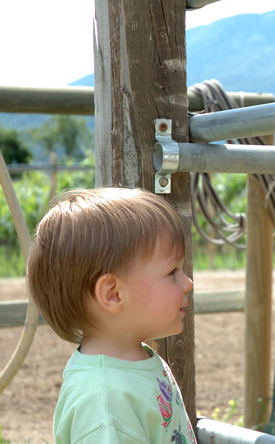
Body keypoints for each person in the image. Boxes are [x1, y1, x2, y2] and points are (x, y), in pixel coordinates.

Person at [27, 187, 196, 443]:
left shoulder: (136, 361)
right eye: (172, 272)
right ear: (113, 293)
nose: (188, 283)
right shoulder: (105, 404)